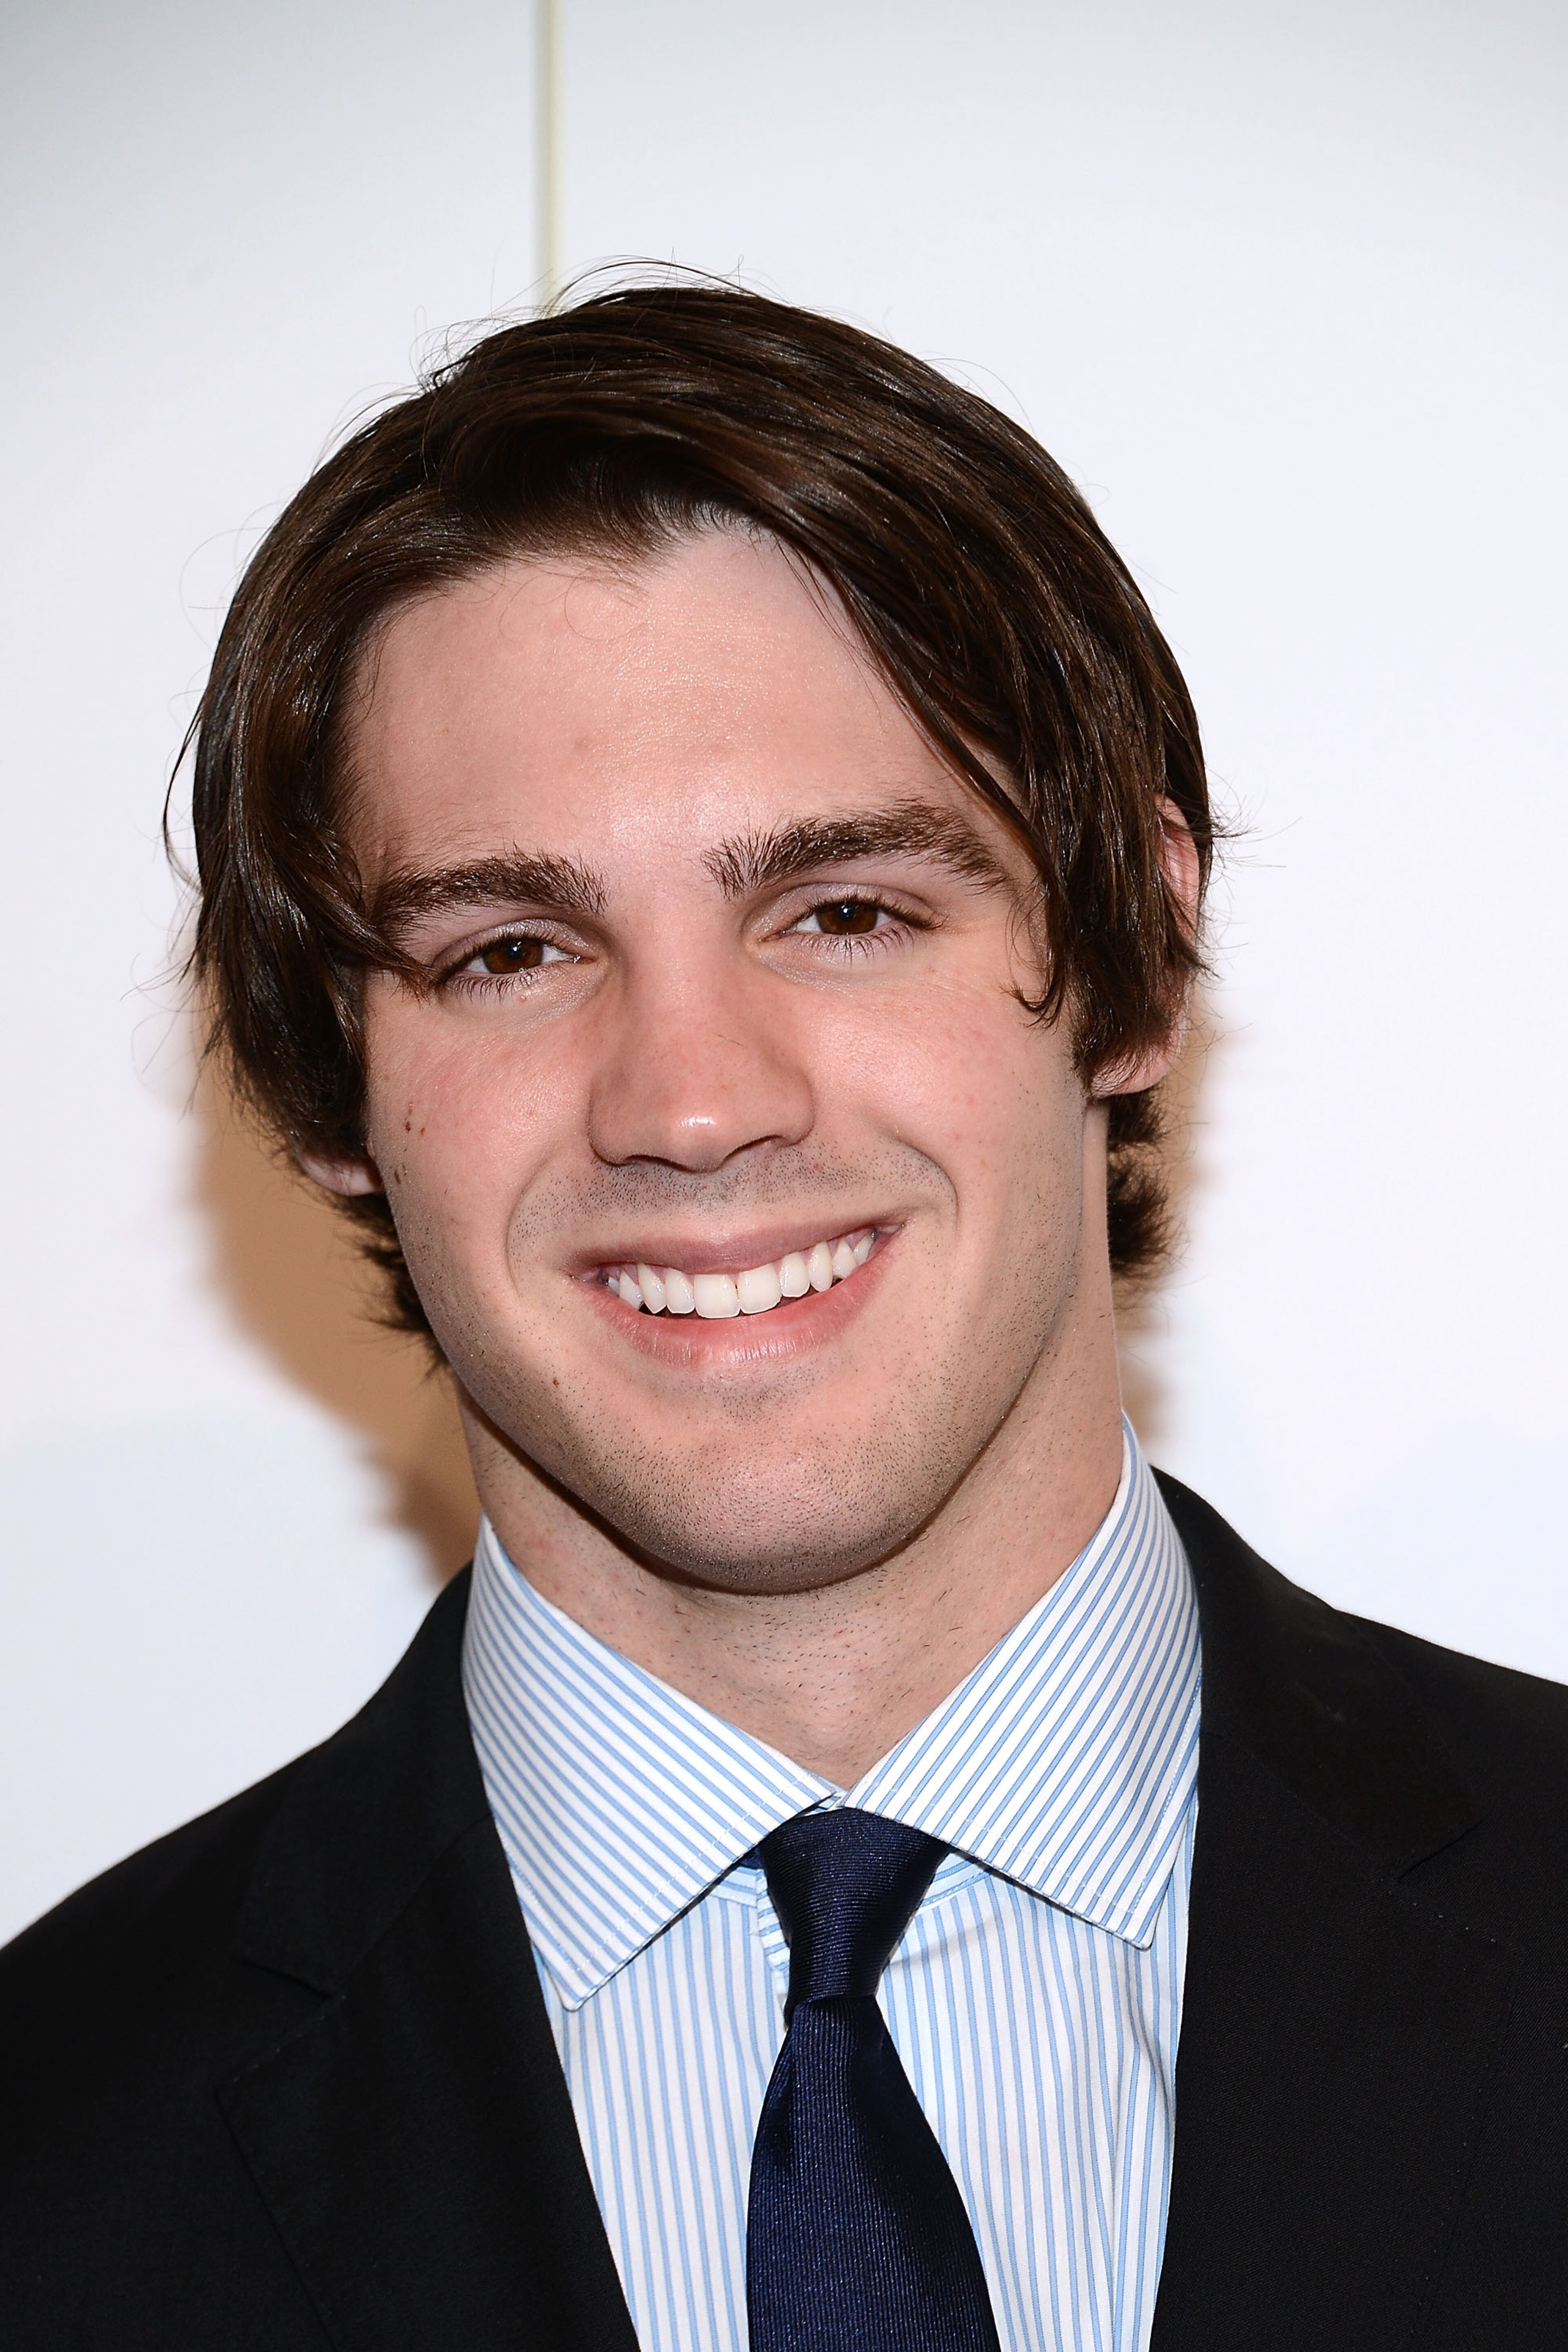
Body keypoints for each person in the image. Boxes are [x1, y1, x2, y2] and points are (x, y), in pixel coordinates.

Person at [2, 284, 1564, 2352]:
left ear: (1136, 958)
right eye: (510, 951)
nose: (696, 1103)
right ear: (324, 1093)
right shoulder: (47, 2160)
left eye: (846, 913)